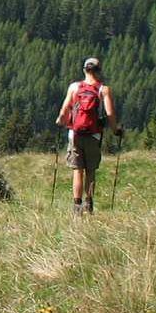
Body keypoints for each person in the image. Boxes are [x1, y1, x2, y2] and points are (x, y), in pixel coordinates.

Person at [55, 56, 120, 215]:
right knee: (90, 171)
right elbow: (110, 113)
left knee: (78, 170)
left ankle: (76, 207)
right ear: (99, 71)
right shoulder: (103, 89)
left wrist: (60, 122)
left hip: (75, 134)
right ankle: (88, 203)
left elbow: (65, 110)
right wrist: (115, 130)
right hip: (94, 134)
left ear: (85, 70)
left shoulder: (74, 87)